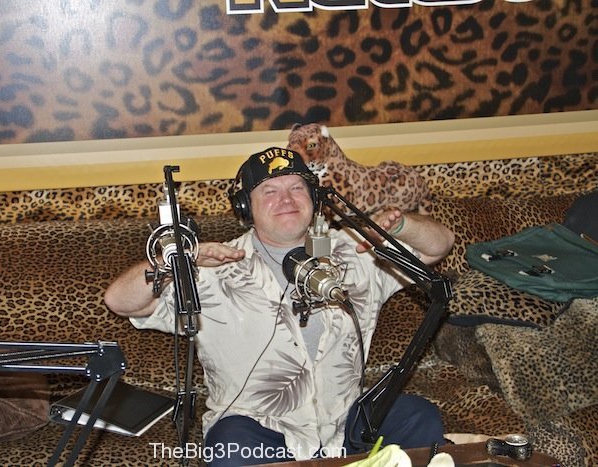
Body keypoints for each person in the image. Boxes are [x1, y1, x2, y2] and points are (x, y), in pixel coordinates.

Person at [105, 147, 455, 466]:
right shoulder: (210, 269)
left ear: (314, 199)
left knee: (417, 416)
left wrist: (401, 225)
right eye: (269, 191)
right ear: (246, 208)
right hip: (257, 430)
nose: (286, 199)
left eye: (296, 188)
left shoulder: (355, 250)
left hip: (347, 424)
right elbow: (119, 301)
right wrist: (177, 260)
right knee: (231, 448)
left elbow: (439, 246)